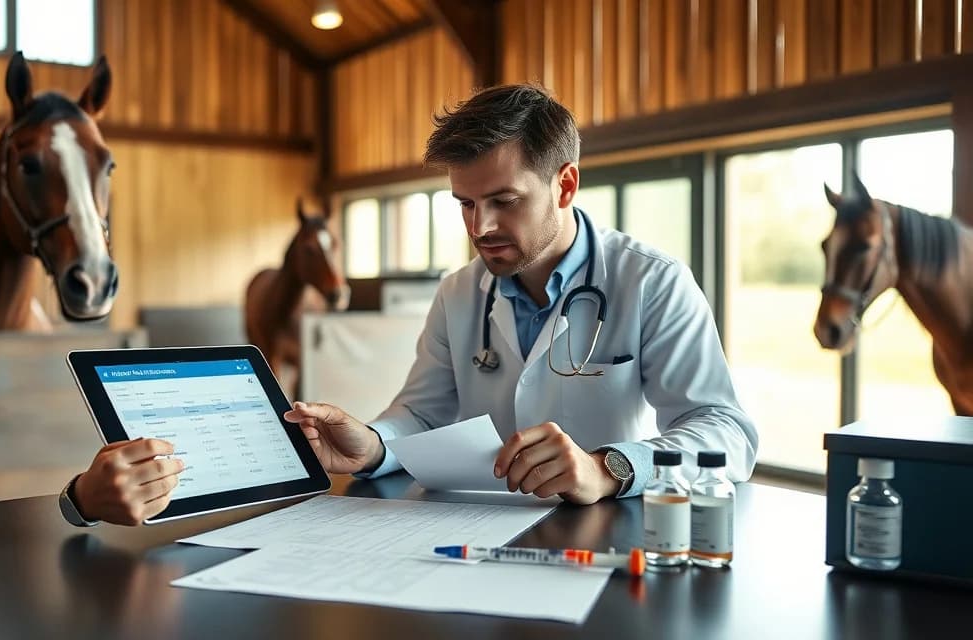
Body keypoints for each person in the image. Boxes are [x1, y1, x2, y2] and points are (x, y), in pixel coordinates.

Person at [60, 84, 758, 526]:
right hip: (473, 538)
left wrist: (610, 467)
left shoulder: (651, 283)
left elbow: (726, 430)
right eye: (464, 204)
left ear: (566, 185)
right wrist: (371, 444)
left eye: (503, 201)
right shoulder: (461, 291)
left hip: (610, 540)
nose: (480, 227)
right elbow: (423, 413)